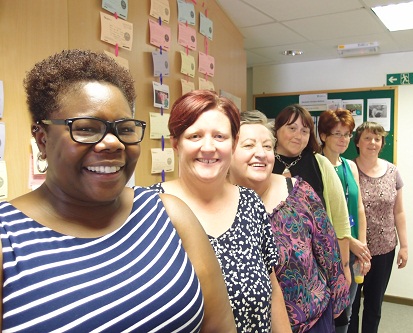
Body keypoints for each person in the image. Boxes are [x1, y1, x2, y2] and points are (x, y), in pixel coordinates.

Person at [0, 50, 236, 332]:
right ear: (42, 139)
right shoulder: (8, 239)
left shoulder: (169, 214)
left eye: (125, 129)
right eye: (87, 128)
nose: (113, 143)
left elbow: (220, 325)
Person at [149, 90, 291, 332]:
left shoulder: (250, 204)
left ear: (233, 143)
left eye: (219, 136)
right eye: (195, 136)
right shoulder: (150, 208)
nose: (208, 147)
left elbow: (272, 288)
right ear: (175, 143)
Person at [228, 110, 350, 332]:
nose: (261, 153)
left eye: (267, 146)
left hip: (312, 322)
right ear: (228, 152)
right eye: (248, 146)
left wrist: (339, 304)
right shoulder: (217, 205)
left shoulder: (299, 192)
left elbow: (329, 251)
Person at [272, 104, 352, 287]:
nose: (298, 135)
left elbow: (340, 219)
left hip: (316, 263)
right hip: (273, 263)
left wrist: (344, 266)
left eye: (304, 130)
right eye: (291, 128)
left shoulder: (320, 163)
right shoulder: (263, 161)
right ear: (277, 130)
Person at [347, 122, 408, 333]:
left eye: (377, 138)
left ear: (382, 143)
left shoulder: (392, 171)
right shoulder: (347, 169)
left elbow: (399, 212)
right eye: (367, 138)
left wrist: (405, 246)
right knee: (350, 306)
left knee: (374, 305)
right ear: (357, 142)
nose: (372, 142)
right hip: (354, 250)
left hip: (384, 250)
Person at [318, 108, 372, 333]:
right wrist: (351, 243)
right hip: (327, 250)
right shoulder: (315, 165)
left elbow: (359, 206)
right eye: (337, 134)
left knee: (346, 310)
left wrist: (362, 245)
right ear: (323, 136)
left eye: (347, 134)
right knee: (325, 310)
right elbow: (322, 216)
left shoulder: (350, 165)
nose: (343, 139)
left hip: (353, 248)